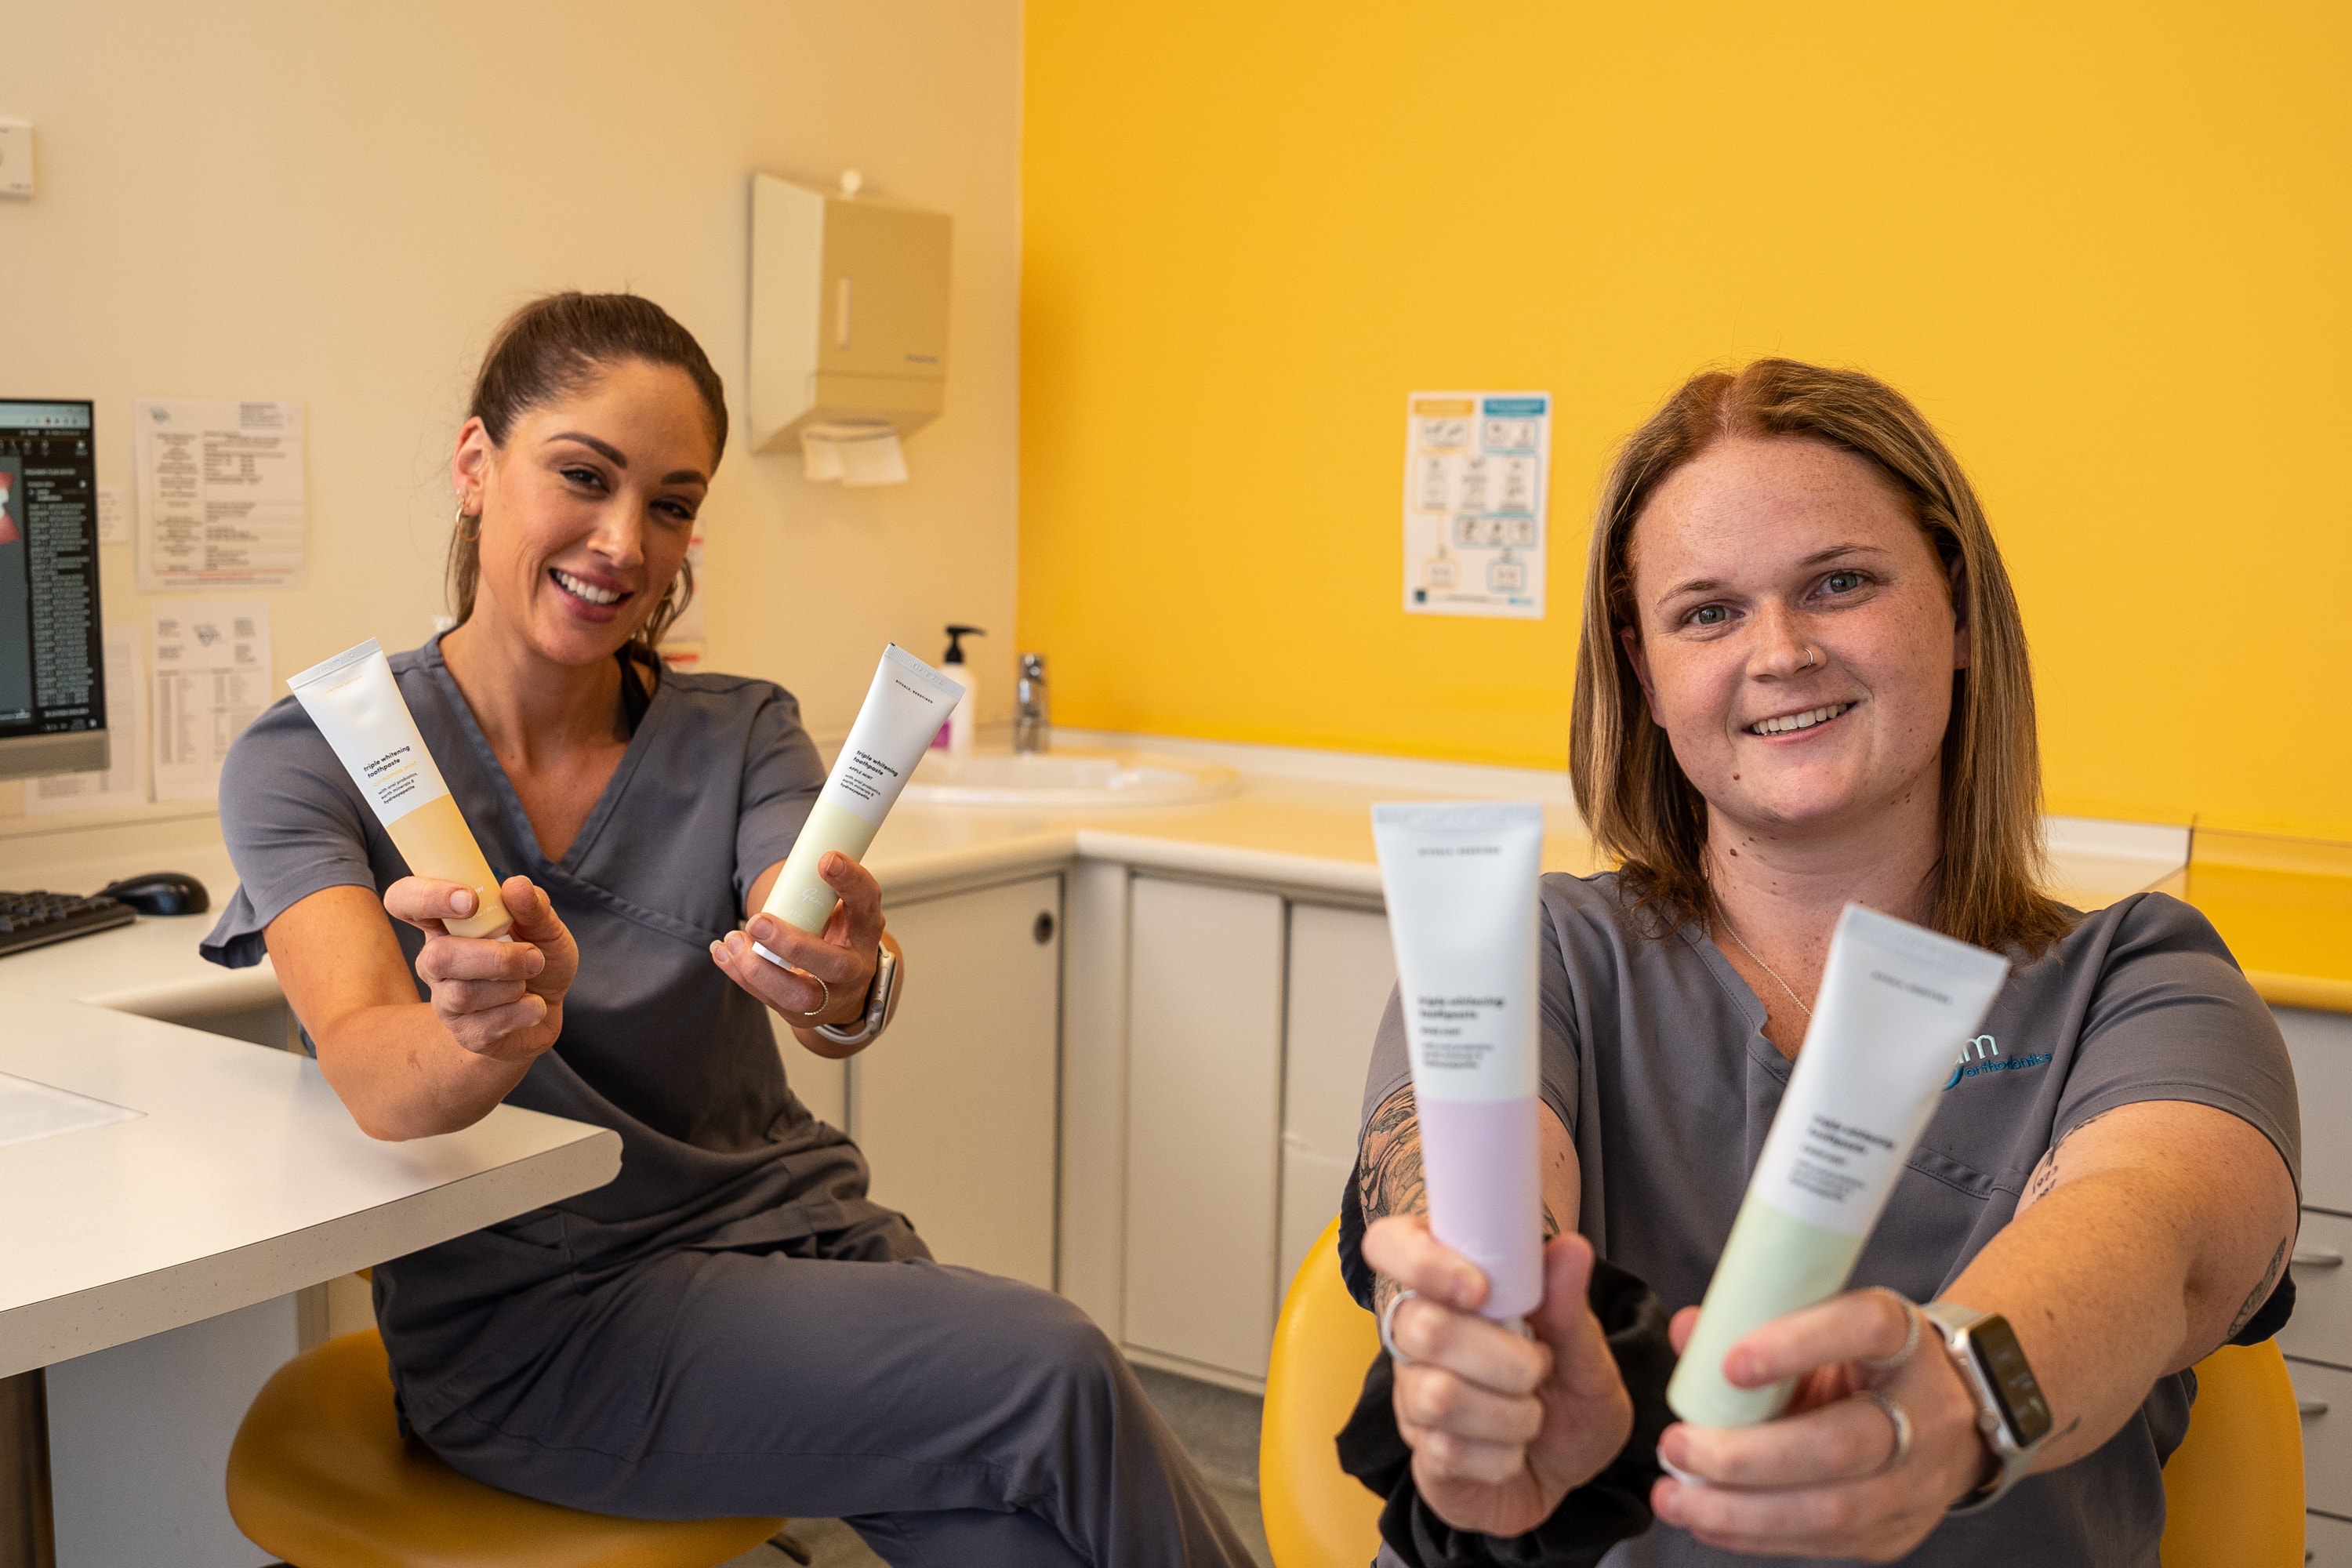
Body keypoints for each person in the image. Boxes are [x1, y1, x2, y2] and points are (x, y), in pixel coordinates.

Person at [201, 292, 1251, 1568]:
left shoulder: (741, 728)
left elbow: (812, 955)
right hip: (547, 1323)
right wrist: (489, 1030)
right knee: (1055, 1370)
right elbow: (375, 1072)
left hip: (803, 1243)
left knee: (1014, 1540)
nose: (624, 542)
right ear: (477, 467)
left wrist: (841, 976)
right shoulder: (317, 759)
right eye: (582, 476)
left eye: (673, 503)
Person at [1341, 359, 2299, 1566]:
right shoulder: (1537, 952)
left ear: (1954, 612)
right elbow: (1460, 1164)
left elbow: (2162, 1237)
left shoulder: (2140, 980)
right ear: (1644, 673)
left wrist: (1954, 1399)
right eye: (1708, 612)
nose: (1782, 651)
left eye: (1839, 584)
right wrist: (1486, 1343)